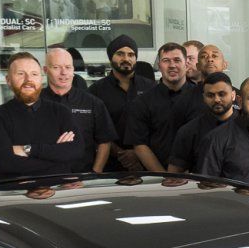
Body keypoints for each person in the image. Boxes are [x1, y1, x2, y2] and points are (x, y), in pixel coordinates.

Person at [0, 53, 79, 180]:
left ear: (41, 79)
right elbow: (6, 164)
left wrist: (28, 149)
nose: (28, 80)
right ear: (8, 80)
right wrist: (57, 158)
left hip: (58, 191)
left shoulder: (61, 112)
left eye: (34, 74)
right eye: (20, 74)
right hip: (16, 193)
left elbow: (76, 151)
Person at [124, 43, 200, 173]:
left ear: (186, 65)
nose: (172, 65)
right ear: (159, 66)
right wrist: (165, 177)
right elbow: (139, 144)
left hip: (197, 176)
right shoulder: (142, 102)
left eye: (177, 60)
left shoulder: (202, 97)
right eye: (166, 61)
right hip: (157, 178)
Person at [40, 45, 115, 173]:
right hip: (44, 177)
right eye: (56, 67)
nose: (63, 73)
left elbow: (105, 142)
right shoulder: (34, 102)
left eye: (68, 67)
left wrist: (95, 172)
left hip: (83, 177)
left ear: (73, 69)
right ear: (46, 70)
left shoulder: (92, 103)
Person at [88, 36, 145, 164]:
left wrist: (138, 154)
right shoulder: (95, 91)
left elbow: (158, 126)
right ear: (110, 57)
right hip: (108, 163)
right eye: (120, 54)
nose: (126, 59)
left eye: (131, 55)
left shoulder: (150, 87)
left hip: (147, 162)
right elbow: (92, 129)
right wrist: (121, 154)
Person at [165, 72, 237, 173]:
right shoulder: (188, 131)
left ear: (233, 95)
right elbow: (174, 173)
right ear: (203, 97)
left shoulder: (247, 126)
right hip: (203, 187)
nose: (216, 100)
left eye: (222, 94)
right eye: (210, 95)